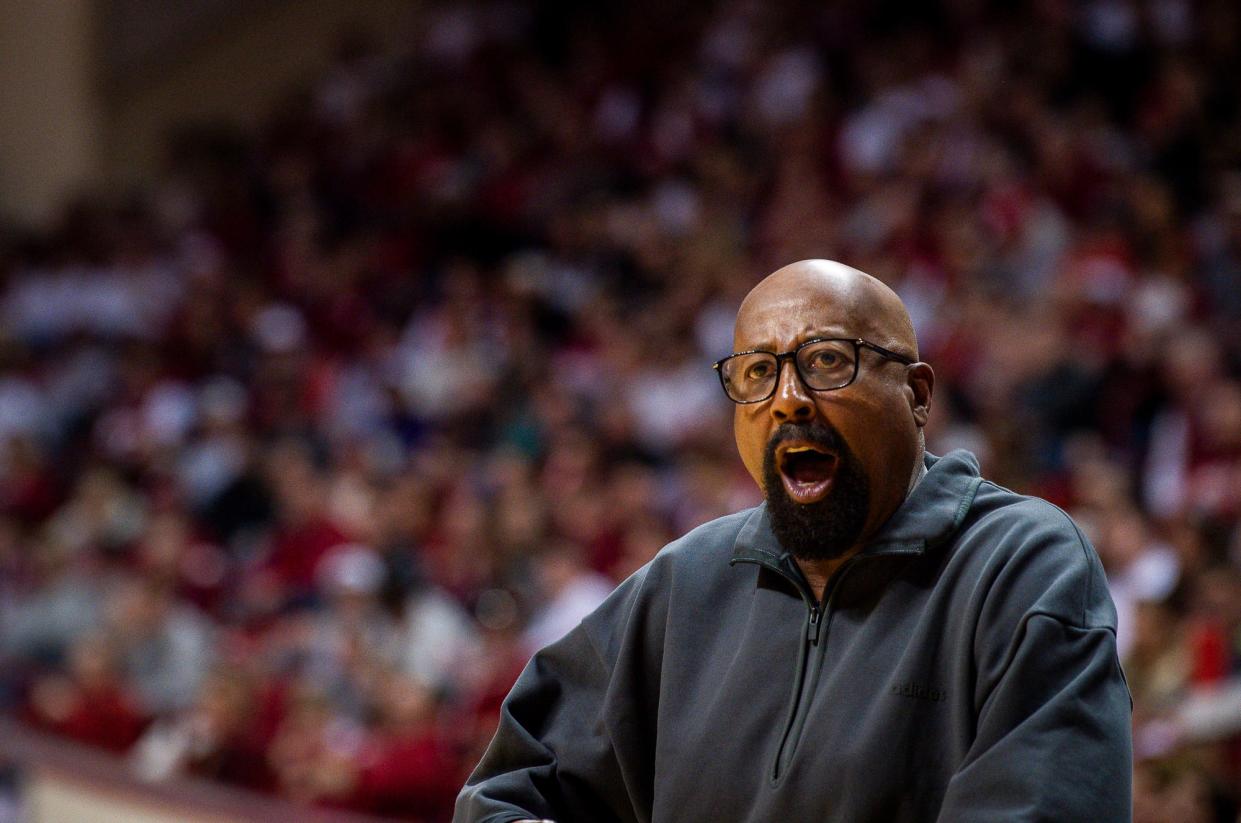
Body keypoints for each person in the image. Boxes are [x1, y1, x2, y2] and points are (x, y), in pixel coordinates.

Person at [455, 260, 1132, 822]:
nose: (788, 399)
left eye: (826, 360)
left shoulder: (1021, 565)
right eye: (755, 373)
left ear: (917, 395)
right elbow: (501, 796)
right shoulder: (681, 584)